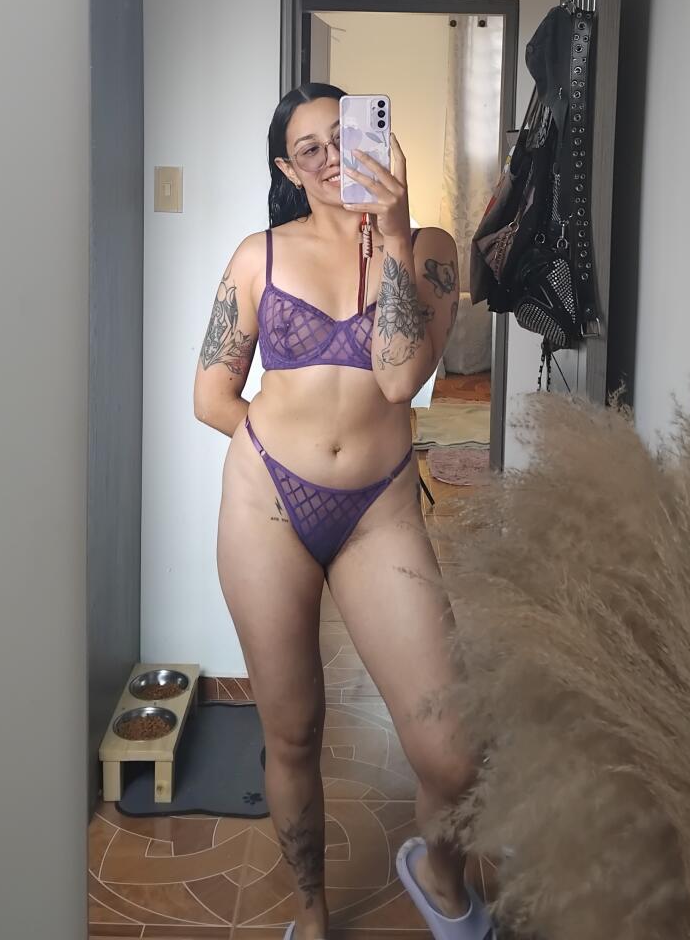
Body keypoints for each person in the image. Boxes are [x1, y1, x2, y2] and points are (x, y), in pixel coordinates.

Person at [194, 82, 495, 940]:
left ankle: (437, 874)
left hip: (379, 513)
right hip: (267, 509)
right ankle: (314, 915)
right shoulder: (260, 256)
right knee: (293, 734)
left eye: (345, 135)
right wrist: (281, 454)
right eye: (311, 149)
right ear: (288, 168)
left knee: (453, 751)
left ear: (378, 135)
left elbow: (399, 377)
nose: (333, 158)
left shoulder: (429, 248)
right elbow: (211, 395)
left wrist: (393, 233)